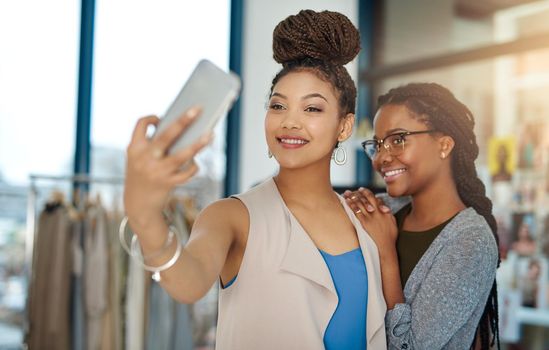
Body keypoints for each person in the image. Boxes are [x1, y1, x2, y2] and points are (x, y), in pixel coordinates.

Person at [123, 9, 387, 350]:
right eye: (278, 106)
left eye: (312, 109)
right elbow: (186, 283)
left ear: (345, 126)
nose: (289, 122)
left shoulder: (362, 221)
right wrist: (144, 215)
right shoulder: (232, 217)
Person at [344, 83, 500, 349]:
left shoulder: (472, 242)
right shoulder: (384, 210)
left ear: (444, 145)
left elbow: (409, 346)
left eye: (397, 140)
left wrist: (386, 253)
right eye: (377, 145)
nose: (380, 158)